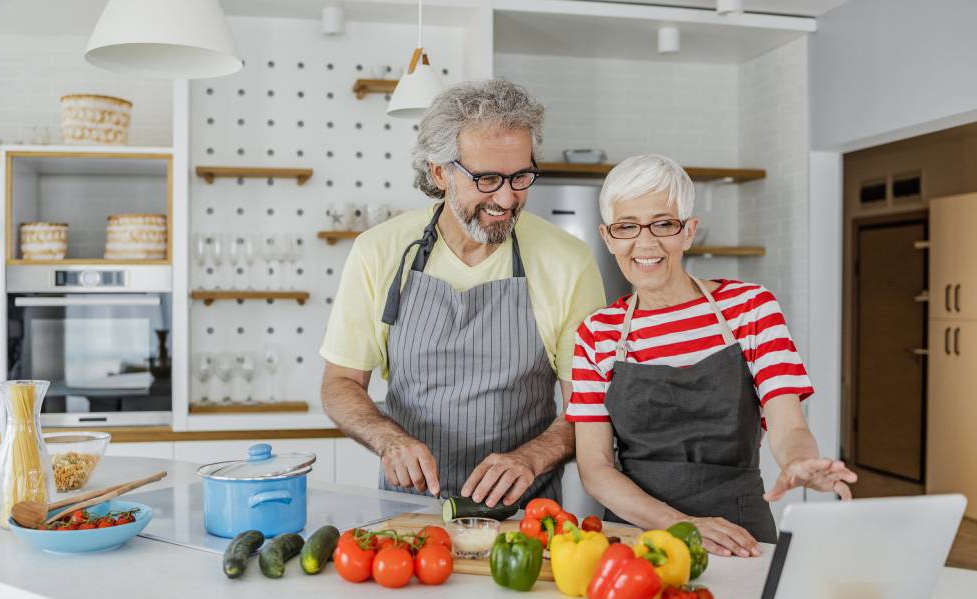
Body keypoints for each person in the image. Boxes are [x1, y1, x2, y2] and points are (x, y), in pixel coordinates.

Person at [320, 79, 606, 508]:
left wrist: (532, 457)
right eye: (487, 178)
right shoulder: (379, 251)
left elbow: (588, 407)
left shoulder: (569, 261)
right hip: (409, 514)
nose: (507, 198)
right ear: (440, 172)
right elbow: (340, 383)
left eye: (521, 176)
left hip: (525, 518)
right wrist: (389, 441)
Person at [568, 154, 857, 557]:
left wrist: (800, 461)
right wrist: (682, 526)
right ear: (608, 236)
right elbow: (595, 470)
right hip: (640, 536)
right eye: (627, 226)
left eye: (664, 224)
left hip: (741, 533)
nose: (645, 242)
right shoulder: (597, 333)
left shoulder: (750, 308)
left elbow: (788, 426)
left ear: (688, 232)